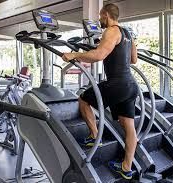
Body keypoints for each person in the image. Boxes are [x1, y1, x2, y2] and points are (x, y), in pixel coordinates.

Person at [62, 3, 139, 180]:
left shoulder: (111, 31)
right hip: (130, 85)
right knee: (129, 127)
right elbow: (133, 59)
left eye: (100, 16)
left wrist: (74, 55)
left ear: (106, 15)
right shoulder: (128, 33)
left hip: (118, 84)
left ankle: (94, 135)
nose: (98, 19)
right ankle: (126, 168)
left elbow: (98, 56)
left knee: (83, 99)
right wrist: (105, 48)